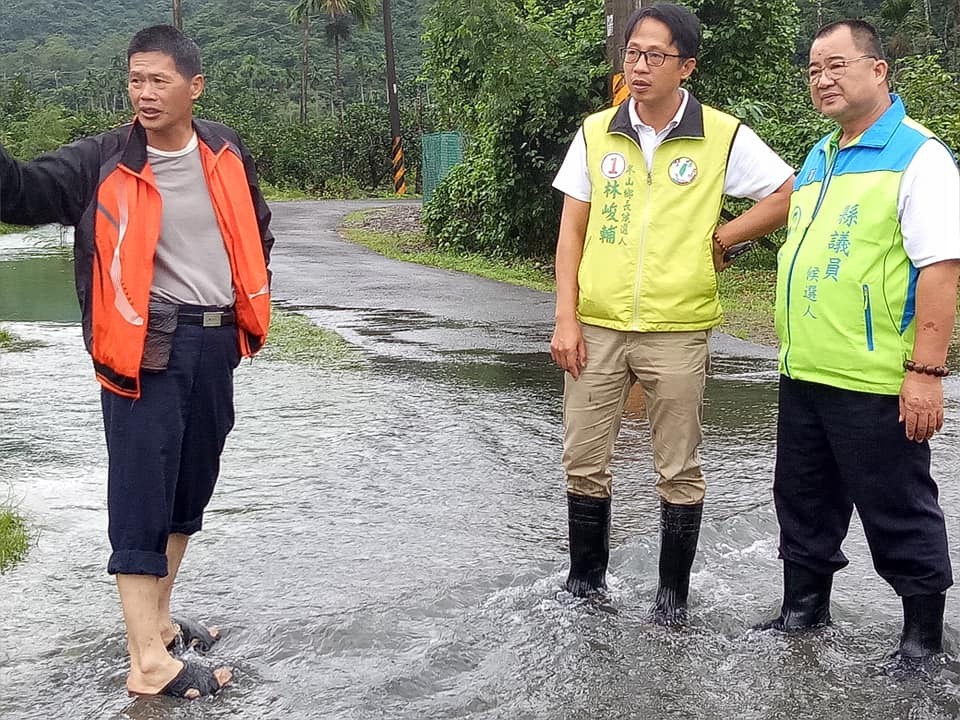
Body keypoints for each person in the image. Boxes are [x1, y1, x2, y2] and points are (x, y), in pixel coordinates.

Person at [0, 25, 273, 697]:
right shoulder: (102, 160)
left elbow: (257, 227)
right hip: (145, 349)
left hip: (215, 343)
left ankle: (158, 622)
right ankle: (146, 661)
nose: (144, 93)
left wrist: (244, 305)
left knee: (187, 491)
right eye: (135, 80)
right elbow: (19, 194)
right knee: (141, 493)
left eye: (158, 80)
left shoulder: (225, 147)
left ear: (194, 85)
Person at [549, 2, 794, 624]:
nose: (639, 66)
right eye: (632, 53)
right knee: (583, 457)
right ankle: (585, 585)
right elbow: (571, 230)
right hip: (598, 325)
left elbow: (789, 191)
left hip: (678, 329)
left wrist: (727, 236)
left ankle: (672, 597)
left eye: (655, 55)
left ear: (686, 66)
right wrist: (565, 317)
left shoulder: (722, 134)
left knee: (678, 466)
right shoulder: (595, 132)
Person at [757, 19, 959, 669]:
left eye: (836, 65)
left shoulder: (919, 156)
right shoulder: (821, 155)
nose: (822, 79)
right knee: (803, 500)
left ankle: (922, 640)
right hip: (805, 368)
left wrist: (926, 371)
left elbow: (941, 266)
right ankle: (802, 611)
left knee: (897, 507)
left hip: (874, 377)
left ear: (878, 70)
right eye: (814, 69)